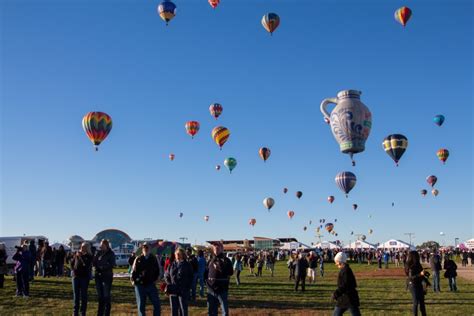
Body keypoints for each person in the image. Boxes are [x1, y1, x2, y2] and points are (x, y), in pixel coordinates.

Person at [131, 242, 161, 316]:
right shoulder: (138, 259)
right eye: (144, 247)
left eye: (147, 247)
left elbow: (159, 270)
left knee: (157, 304)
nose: (145, 249)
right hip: (139, 285)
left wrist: (157, 279)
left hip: (151, 284)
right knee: (141, 306)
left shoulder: (154, 258)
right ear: (142, 249)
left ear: (150, 249)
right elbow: (132, 271)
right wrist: (133, 281)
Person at [206, 242, 233, 316]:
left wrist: (220, 268)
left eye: (218, 248)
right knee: (211, 311)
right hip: (211, 289)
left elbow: (230, 272)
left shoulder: (226, 260)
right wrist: (207, 284)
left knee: (224, 311)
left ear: (222, 249)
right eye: (214, 248)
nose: (216, 250)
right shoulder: (210, 260)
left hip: (222, 289)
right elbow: (206, 273)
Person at [165, 248, 193, 316]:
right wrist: (169, 285)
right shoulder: (171, 265)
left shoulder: (187, 264)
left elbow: (191, 277)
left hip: (183, 291)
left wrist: (187, 287)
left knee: (183, 309)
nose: (177, 255)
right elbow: (167, 275)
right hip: (173, 290)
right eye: (176, 254)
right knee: (174, 309)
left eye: (179, 254)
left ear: (183, 255)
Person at [93, 239, 116, 316]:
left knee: (106, 296)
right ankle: (100, 313)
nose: (101, 246)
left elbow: (112, 264)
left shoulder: (111, 253)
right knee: (100, 296)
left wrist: (102, 267)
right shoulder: (98, 253)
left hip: (107, 277)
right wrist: (97, 267)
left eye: (102, 245)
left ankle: (106, 313)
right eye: (100, 245)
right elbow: (94, 262)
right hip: (98, 276)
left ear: (106, 245)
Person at [71, 242, 93, 316]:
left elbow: (86, 265)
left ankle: (82, 312)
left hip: (84, 277)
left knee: (83, 295)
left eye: (84, 247)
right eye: (82, 246)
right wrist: (75, 257)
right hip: (75, 277)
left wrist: (81, 257)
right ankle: (75, 312)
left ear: (87, 248)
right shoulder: (77, 254)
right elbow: (72, 263)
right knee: (76, 296)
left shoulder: (89, 256)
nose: (82, 248)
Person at [405, 251, 427, 316]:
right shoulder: (409, 265)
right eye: (417, 256)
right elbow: (411, 277)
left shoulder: (418, 264)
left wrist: (425, 279)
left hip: (419, 283)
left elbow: (421, 273)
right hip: (413, 284)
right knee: (416, 302)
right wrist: (420, 274)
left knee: (422, 302)